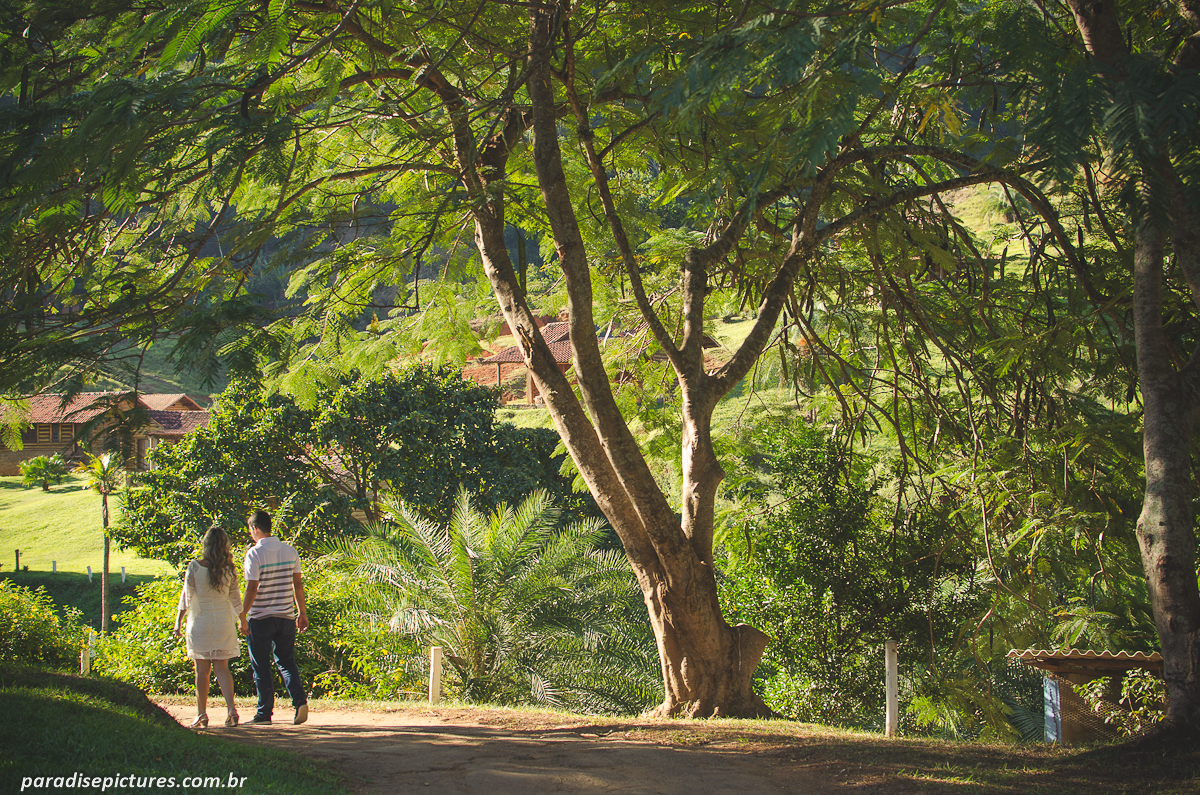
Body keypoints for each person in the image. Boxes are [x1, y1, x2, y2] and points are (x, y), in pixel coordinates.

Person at [239, 508, 309, 725]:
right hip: (286, 616)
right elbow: (297, 584)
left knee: (261, 665)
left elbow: (252, 587)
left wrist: (242, 614)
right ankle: (299, 701)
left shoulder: (254, 554)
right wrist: (302, 613)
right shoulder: (290, 551)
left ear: (254, 528)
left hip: (260, 617)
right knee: (287, 662)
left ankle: (264, 712)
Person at [173, 524, 242, 728]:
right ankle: (231, 709)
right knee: (222, 668)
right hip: (223, 622)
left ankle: (201, 713)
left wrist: (178, 622)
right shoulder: (230, 569)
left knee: (201, 670)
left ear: (206, 544)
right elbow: (236, 598)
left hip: (200, 622)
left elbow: (186, 598)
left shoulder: (195, 566)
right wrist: (243, 621)